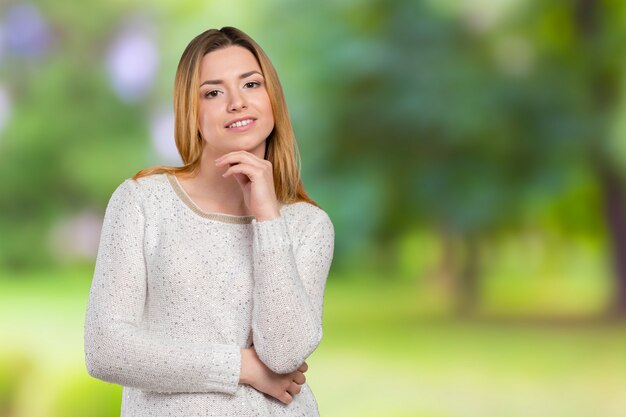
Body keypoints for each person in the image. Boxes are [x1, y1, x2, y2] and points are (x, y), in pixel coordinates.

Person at [83, 26, 335, 416]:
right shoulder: (143, 202)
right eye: (213, 92)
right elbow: (105, 348)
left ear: (273, 98)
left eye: (251, 84)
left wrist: (268, 218)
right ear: (191, 111)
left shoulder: (307, 225)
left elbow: (284, 353)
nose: (237, 102)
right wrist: (243, 368)